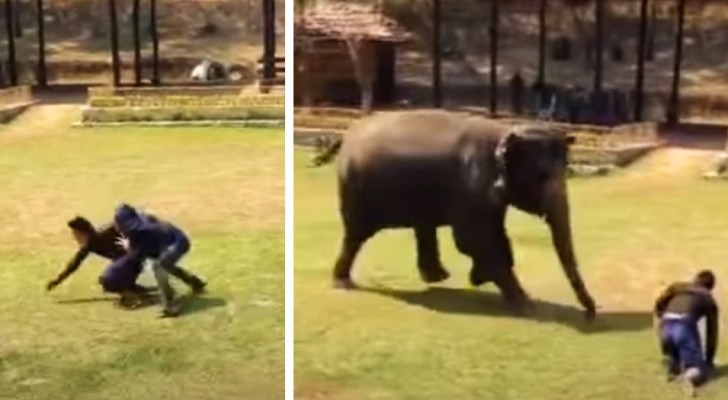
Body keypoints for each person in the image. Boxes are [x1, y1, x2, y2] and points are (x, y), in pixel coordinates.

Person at [114, 204, 206, 318]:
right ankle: (195, 282)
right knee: (164, 264)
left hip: (177, 243)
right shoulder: (139, 222)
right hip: (175, 240)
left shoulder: (136, 230)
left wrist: (127, 246)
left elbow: (135, 256)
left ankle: (171, 305)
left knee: (159, 266)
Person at [47, 216, 154, 308]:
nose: (74, 237)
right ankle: (131, 287)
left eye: (75, 233)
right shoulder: (90, 244)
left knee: (107, 280)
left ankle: (130, 292)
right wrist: (57, 281)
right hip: (130, 262)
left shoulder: (105, 231)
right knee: (115, 271)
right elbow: (74, 264)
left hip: (135, 258)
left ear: (83, 232)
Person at [654, 270, 719, 395]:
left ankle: (674, 367)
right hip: (683, 326)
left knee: (677, 351)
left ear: (695, 280)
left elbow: (660, 303)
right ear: (710, 287)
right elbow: (712, 333)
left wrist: (661, 316)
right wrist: (709, 360)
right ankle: (689, 378)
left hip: (665, 326)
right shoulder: (709, 300)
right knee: (696, 368)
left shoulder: (680, 290)